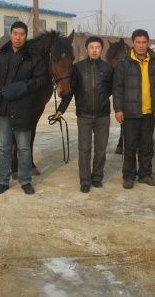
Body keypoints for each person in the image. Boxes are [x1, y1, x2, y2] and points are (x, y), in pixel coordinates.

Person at [0, 21, 48, 196]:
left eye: (22, 34)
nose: (18, 37)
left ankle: (25, 180)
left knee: (24, 148)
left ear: (26, 37)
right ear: (10, 34)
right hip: (2, 109)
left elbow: (42, 80)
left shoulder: (34, 58)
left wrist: (23, 87)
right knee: (3, 147)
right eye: (15, 33)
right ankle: (3, 181)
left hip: (23, 109)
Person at [55, 36, 114, 193]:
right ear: (87, 49)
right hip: (84, 115)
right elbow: (69, 92)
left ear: (102, 50)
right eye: (92, 47)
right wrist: (61, 109)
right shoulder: (77, 68)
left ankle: (97, 178)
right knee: (84, 149)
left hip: (103, 116)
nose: (94, 50)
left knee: (101, 149)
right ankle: (85, 181)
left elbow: (110, 91)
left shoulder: (108, 69)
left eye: (98, 47)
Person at [113, 29, 155, 189]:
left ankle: (145, 174)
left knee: (146, 145)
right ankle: (128, 176)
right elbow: (117, 88)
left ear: (148, 43)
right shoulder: (123, 62)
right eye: (138, 42)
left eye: (144, 42)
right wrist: (118, 109)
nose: (141, 45)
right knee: (129, 146)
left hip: (149, 112)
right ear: (133, 43)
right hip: (130, 112)